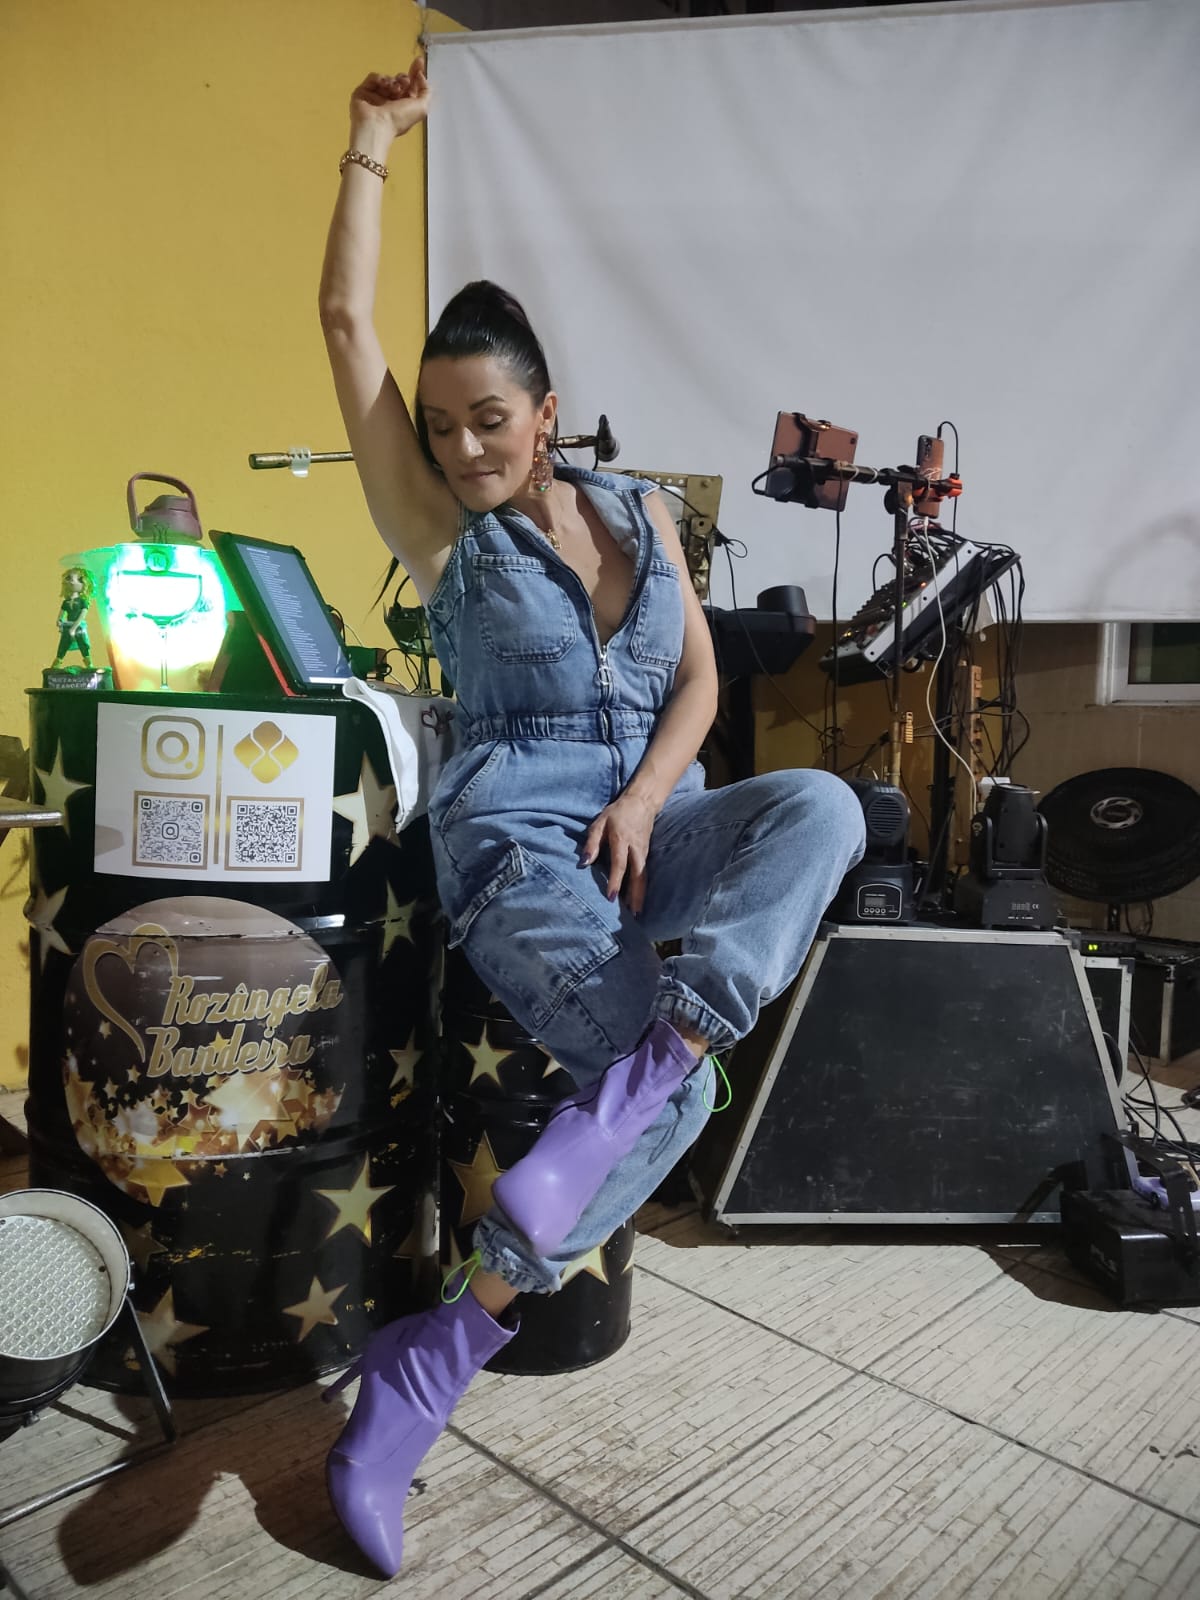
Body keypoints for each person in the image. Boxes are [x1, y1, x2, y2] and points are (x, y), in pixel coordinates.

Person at [317, 59, 866, 1578]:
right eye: (441, 427)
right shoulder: (445, 533)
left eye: (488, 419)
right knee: (669, 1104)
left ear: (546, 412)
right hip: (519, 848)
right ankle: (433, 1368)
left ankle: (657, 1071)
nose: (462, 448)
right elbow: (347, 327)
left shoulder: (640, 515)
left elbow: (700, 684)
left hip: (649, 823)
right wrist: (369, 143)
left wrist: (645, 795)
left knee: (821, 802)